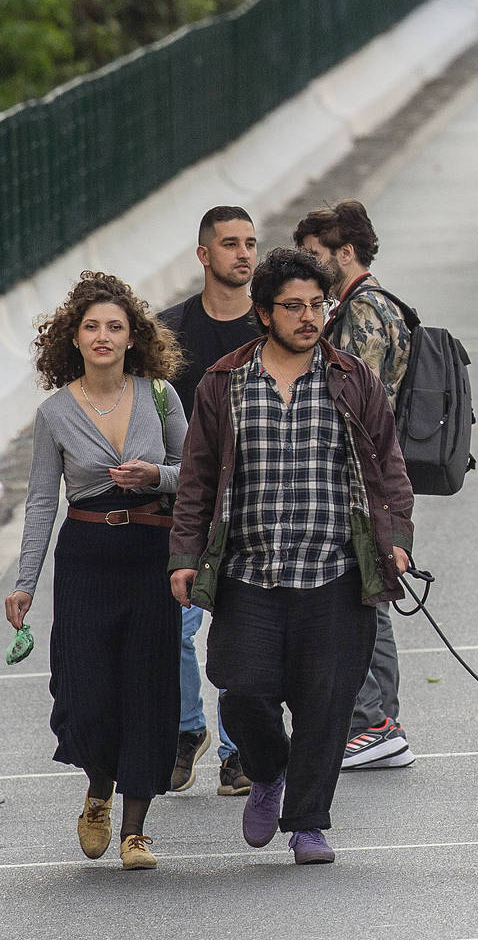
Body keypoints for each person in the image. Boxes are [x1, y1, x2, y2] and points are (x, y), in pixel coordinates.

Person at [169, 248, 413, 865]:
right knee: (242, 687)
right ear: (263, 312)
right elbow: (197, 476)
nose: (309, 317)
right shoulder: (224, 382)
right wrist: (184, 555)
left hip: (333, 571)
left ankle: (307, 823)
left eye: (317, 305)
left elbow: (389, 468)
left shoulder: (352, 379)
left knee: (325, 702)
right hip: (248, 572)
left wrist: (398, 541)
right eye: (294, 307)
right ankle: (267, 771)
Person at [9, 272, 187, 870]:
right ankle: (98, 787)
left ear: (133, 336)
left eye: (115, 326)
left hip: (150, 556)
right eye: (92, 327)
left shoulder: (160, 395)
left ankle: (136, 831)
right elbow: (39, 502)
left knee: (148, 686)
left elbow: (195, 475)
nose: (104, 336)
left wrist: (155, 477)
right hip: (85, 558)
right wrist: (24, 581)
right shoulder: (55, 412)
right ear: (74, 339)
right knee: (84, 690)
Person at [291, 200, 417, 775]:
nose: (308, 267)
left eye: (315, 256)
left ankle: (372, 723)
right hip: (365, 477)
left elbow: (354, 405)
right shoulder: (365, 306)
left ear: (346, 252)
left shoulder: (364, 313)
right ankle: (379, 721)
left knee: (360, 598)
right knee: (372, 595)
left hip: (356, 478)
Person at [158, 206, 261, 795]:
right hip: (185, 503)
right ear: (204, 255)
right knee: (175, 624)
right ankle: (185, 730)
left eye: (250, 243)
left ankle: (237, 750)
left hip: (253, 504)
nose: (243, 254)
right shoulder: (169, 333)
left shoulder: (268, 328)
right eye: (229, 244)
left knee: (240, 631)